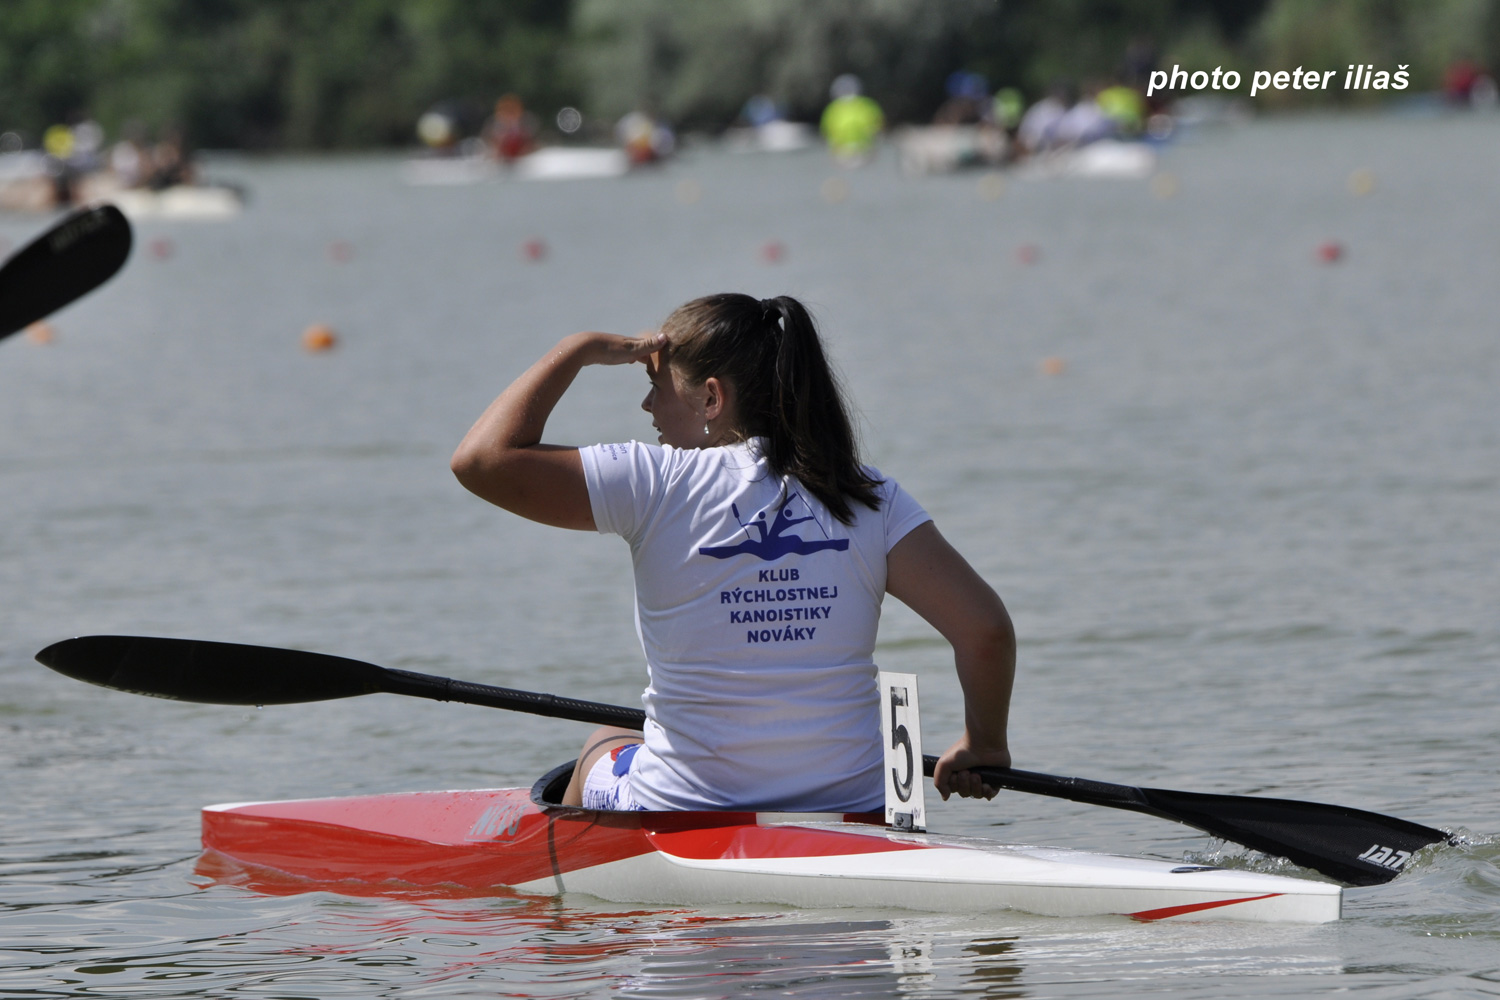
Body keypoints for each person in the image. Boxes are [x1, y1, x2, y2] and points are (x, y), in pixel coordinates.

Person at [451, 293, 1015, 812]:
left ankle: (573, 910)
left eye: (657, 384)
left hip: (688, 811)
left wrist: (575, 351)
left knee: (602, 741)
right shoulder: (868, 494)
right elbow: (984, 629)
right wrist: (982, 743)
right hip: (859, 804)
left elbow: (479, 460)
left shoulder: (656, 481)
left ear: (713, 398)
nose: (648, 404)